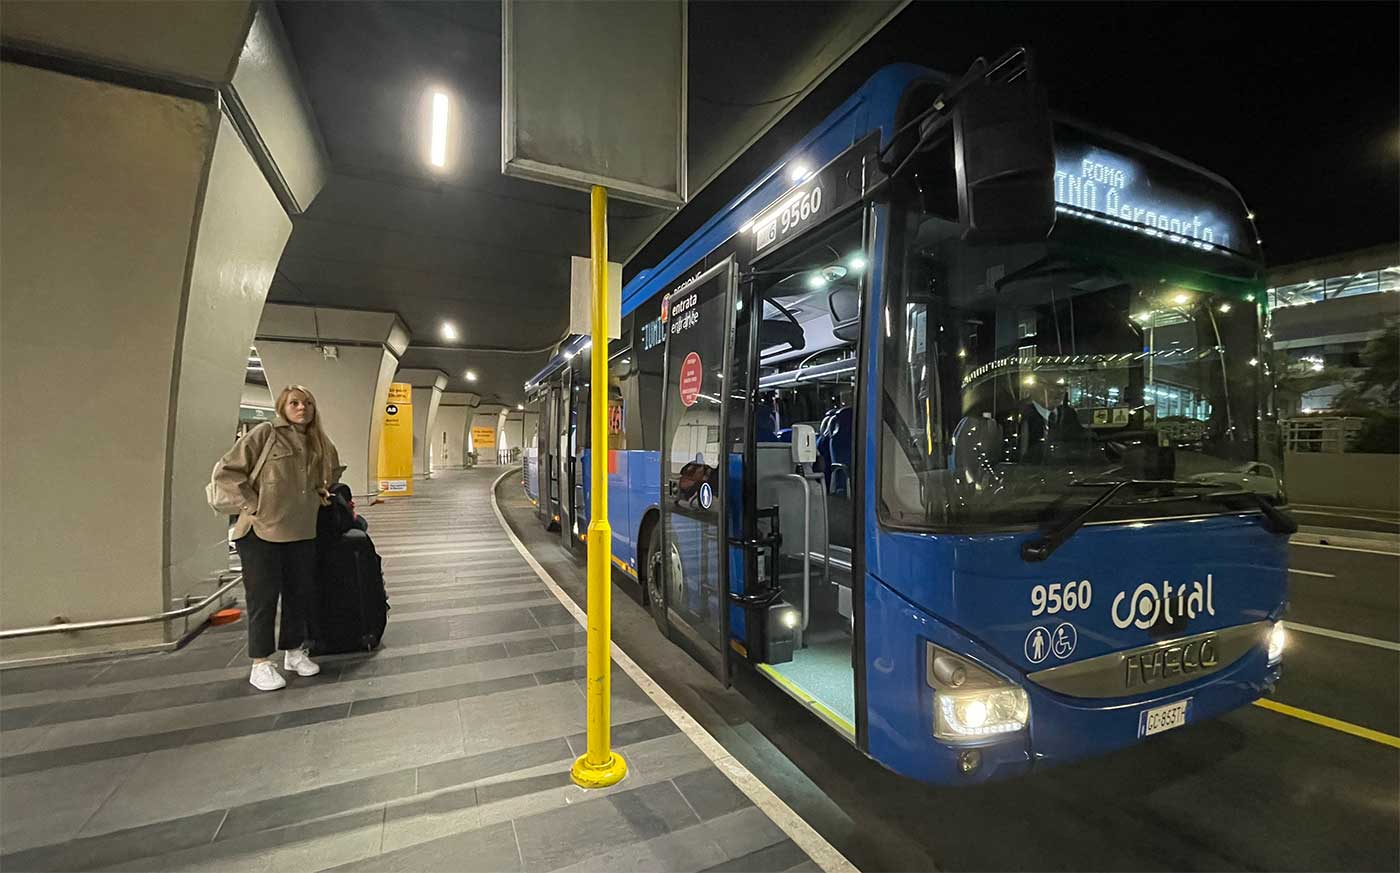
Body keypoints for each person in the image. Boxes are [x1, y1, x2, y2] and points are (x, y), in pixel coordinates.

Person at [212, 385, 343, 691]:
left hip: (301, 530)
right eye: (295, 403)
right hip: (260, 532)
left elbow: (332, 471)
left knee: (300, 593)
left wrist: (320, 491)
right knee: (263, 598)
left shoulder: (318, 441)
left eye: (308, 403)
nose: (302, 408)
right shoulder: (265, 434)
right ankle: (260, 662)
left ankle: (294, 651)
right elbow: (228, 472)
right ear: (282, 406)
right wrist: (252, 505)